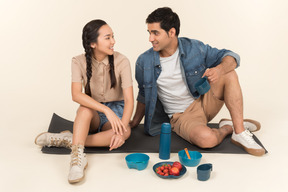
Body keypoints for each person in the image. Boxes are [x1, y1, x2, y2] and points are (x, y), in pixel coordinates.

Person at [130, 7, 265, 156]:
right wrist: (135, 122)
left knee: (229, 73)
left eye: (156, 33)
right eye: (149, 33)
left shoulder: (194, 47)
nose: (150, 39)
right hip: (182, 116)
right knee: (208, 140)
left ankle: (239, 132)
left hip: (203, 99)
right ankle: (228, 127)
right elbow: (143, 95)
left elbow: (231, 57)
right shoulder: (144, 62)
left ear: (172, 32)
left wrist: (219, 69)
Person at [35, 19, 134, 183]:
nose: (113, 41)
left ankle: (72, 141)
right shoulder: (78, 61)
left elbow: (129, 100)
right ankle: (77, 160)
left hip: (117, 109)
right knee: (84, 108)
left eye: (113, 37)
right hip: (93, 110)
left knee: (125, 133)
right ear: (93, 43)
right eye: (108, 37)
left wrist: (122, 129)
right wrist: (105, 110)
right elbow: (76, 95)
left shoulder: (122, 61)